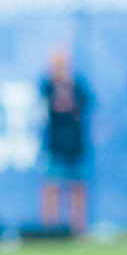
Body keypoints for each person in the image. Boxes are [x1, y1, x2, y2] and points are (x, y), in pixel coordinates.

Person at [38, 48, 92, 233]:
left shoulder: (78, 86)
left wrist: (68, 85)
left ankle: (79, 227)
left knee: (78, 186)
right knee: (51, 185)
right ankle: (49, 228)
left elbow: (84, 105)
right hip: (54, 144)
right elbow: (51, 107)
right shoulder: (47, 87)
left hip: (75, 144)